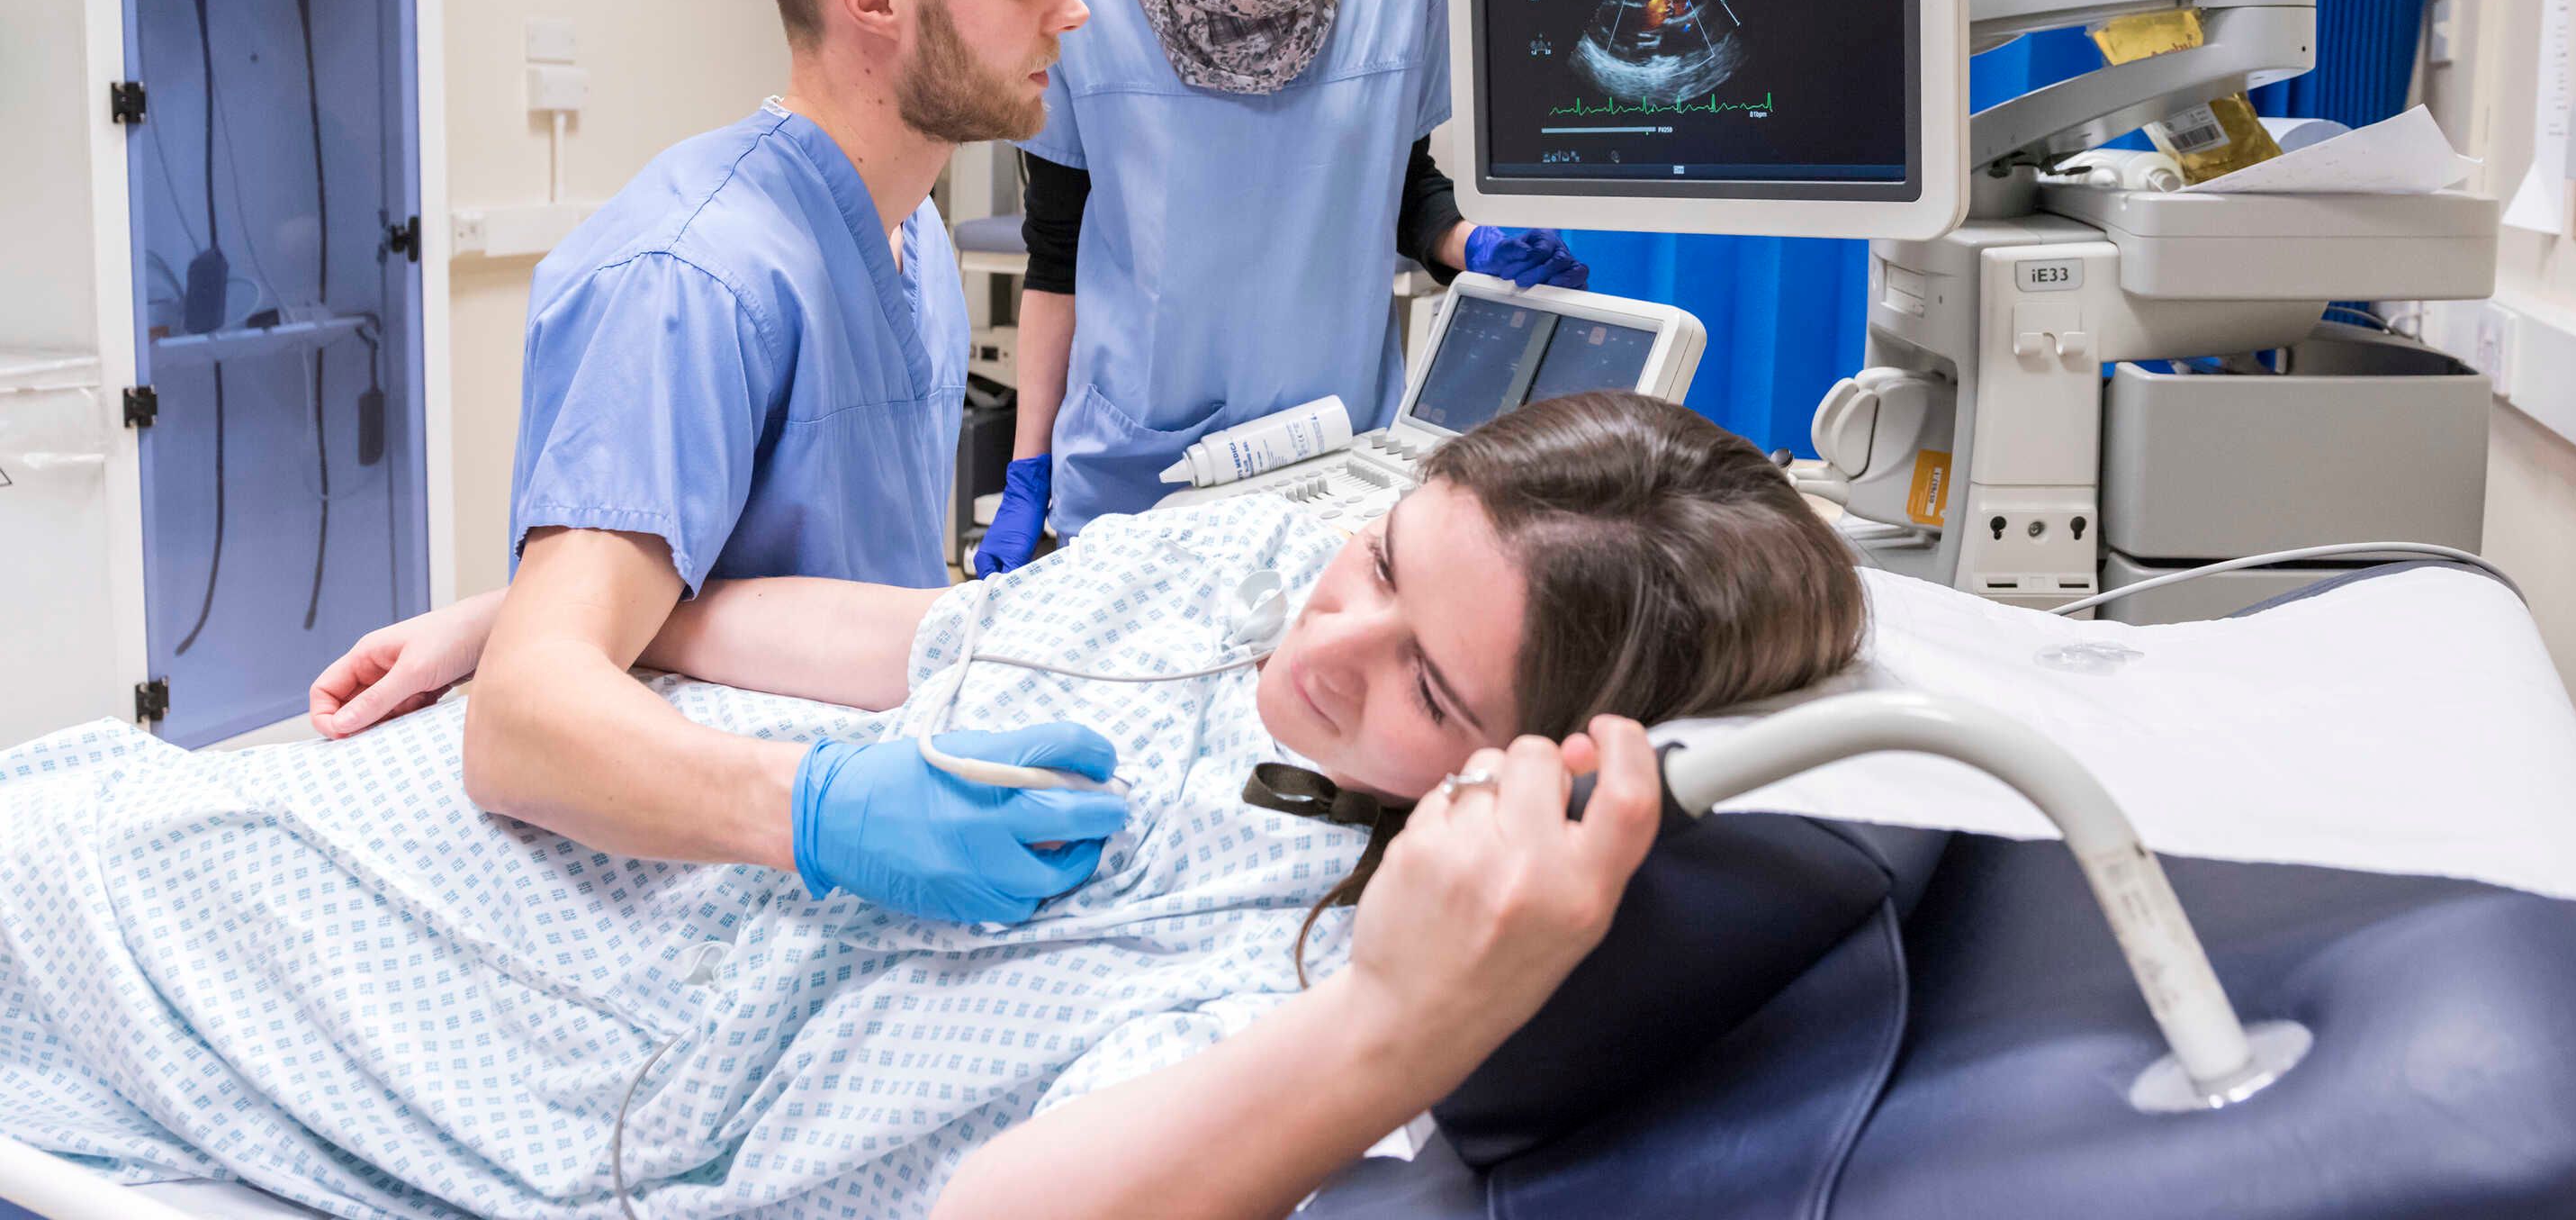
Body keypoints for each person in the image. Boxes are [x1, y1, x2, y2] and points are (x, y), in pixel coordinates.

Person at [28, 394, 1864, 1218]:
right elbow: (913, 634)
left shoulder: (1313, 946)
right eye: (1378, 561)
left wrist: (1399, 1022)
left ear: (1532, 773)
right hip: (516, 814)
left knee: (58, 875)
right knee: (86, 807)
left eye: (1428, 688)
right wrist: (536, 634)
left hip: (519, 1033)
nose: (1330, 644)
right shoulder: (1251, 569)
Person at [368, 0, 1135, 932]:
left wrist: (510, 609)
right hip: (687, 881)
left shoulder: (911, 241)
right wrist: (829, 807)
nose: (1067, 9)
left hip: (823, 858)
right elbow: (524, 726)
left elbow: (730, 586)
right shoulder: (688, 279)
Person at [973, 0, 1588, 576]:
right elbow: (1055, 254)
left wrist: (1471, 245)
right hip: (1143, 473)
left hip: (1334, 464)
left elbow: (1400, 187)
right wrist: (1028, 470)